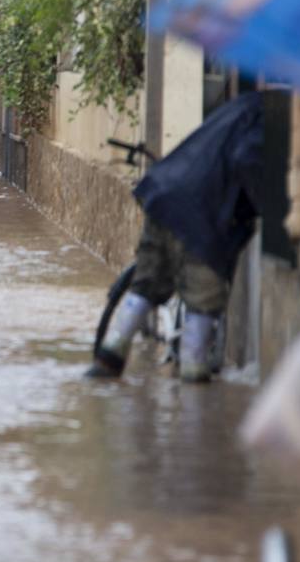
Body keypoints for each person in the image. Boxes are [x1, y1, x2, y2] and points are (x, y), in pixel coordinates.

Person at [87, 93, 262, 382]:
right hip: (202, 213)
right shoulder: (263, 116)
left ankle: (109, 358)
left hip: (164, 195)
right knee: (203, 296)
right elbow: (248, 159)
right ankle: (193, 378)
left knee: (147, 283)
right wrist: (267, 206)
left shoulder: (240, 106)